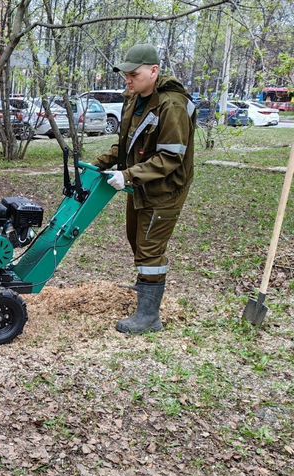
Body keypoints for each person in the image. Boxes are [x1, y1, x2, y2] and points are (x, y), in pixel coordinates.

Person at [92, 44, 196, 334]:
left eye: (133, 74)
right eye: (125, 74)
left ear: (153, 71)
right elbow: (126, 144)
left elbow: (171, 157)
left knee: (149, 250)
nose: (128, 79)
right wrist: (97, 163)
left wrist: (127, 175)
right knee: (137, 243)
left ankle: (149, 317)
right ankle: (145, 301)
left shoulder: (171, 105)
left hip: (164, 190)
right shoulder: (135, 99)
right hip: (140, 184)